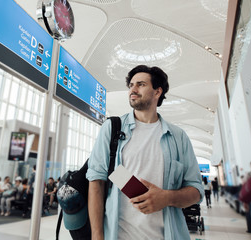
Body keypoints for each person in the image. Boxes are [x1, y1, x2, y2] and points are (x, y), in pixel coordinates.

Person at [87, 65, 204, 240]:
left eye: (140, 84)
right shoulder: (112, 129)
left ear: (157, 92)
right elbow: (96, 182)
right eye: (131, 85)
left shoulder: (178, 137)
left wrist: (167, 198)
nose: (132, 90)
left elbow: (196, 190)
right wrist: (97, 237)